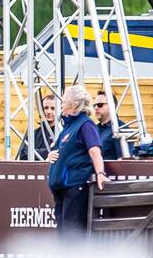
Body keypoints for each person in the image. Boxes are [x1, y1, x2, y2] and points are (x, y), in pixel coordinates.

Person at [46, 84, 108, 236]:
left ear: (74, 104)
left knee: (72, 234)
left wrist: (100, 173)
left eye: (64, 99)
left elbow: (94, 151)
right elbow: (57, 149)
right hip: (61, 189)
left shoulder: (86, 124)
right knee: (63, 234)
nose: (61, 102)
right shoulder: (68, 127)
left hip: (75, 188)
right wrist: (51, 155)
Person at [16, 92, 57, 160]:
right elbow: (24, 155)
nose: (49, 112)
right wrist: (48, 152)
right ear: (41, 109)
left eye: (53, 108)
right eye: (46, 108)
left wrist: (37, 152)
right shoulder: (34, 134)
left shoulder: (63, 131)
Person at [92, 91, 126, 161]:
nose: (96, 108)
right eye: (94, 105)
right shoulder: (94, 129)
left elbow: (123, 161)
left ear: (111, 106)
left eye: (100, 104)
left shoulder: (121, 130)